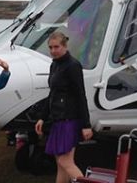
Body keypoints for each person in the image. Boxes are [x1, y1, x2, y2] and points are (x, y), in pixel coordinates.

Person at [34, 32, 93, 182]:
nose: (53, 50)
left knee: (65, 162)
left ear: (65, 46)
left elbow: (81, 95)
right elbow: (52, 93)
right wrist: (42, 117)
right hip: (57, 119)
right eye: (50, 47)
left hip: (69, 120)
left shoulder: (73, 65)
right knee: (60, 163)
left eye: (56, 47)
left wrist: (86, 125)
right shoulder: (54, 64)